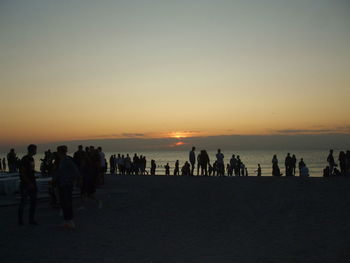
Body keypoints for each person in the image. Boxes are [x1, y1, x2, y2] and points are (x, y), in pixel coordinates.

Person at [53, 145, 80, 229]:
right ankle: (66, 221)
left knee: (67, 202)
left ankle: (70, 221)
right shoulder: (61, 161)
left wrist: (70, 180)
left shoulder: (67, 160)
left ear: (60, 152)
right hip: (62, 184)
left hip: (67, 185)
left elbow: (76, 172)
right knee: (63, 203)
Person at [18, 144, 38, 225]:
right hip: (26, 184)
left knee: (33, 202)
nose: (36, 151)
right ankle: (20, 220)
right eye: (35, 149)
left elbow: (30, 170)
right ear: (32, 150)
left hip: (32, 183)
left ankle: (31, 220)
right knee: (23, 202)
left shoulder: (31, 159)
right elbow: (22, 173)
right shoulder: (25, 159)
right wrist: (29, 183)